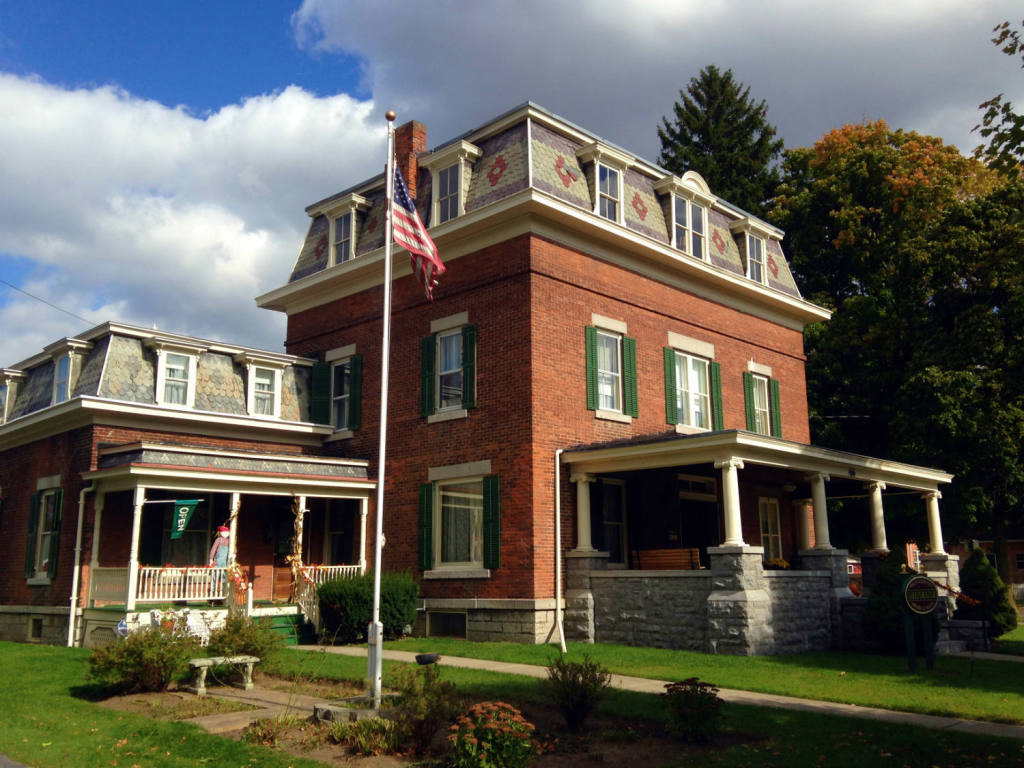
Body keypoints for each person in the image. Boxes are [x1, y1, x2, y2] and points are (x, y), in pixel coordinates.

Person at [209, 525, 230, 597]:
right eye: (224, 532)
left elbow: (233, 549)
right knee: (214, 577)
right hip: (217, 562)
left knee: (224, 578)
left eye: (227, 532)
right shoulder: (218, 540)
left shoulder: (229, 541)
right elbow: (213, 549)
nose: (226, 533)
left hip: (225, 563)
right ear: (221, 533)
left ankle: (224, 593)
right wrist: (211, 559)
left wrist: (234, 554)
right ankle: (213, 593)